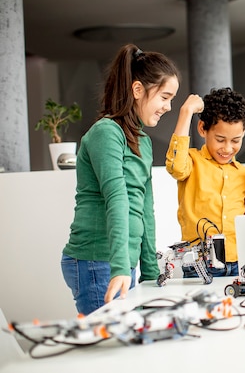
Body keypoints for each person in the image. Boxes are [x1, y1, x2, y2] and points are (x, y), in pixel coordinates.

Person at [61, 43, 181, 315]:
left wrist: (150, 269)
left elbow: (144, 208)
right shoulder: (106, 133)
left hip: (120, 261)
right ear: (138, 90)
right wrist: (119, 266)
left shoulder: (143, 142)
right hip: (96, 261)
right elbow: (117, 198)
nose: (169, 106)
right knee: (108, 350)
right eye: (164, 96)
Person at [165, 87, 245, 277]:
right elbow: (176, 167)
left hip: (239, 263)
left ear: (244, 133)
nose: (227, 148)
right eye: (220, 139)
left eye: (236, 140)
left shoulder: (244, 175)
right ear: (202, 128)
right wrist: (186, 112)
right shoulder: (191, 162)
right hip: (199, 264)